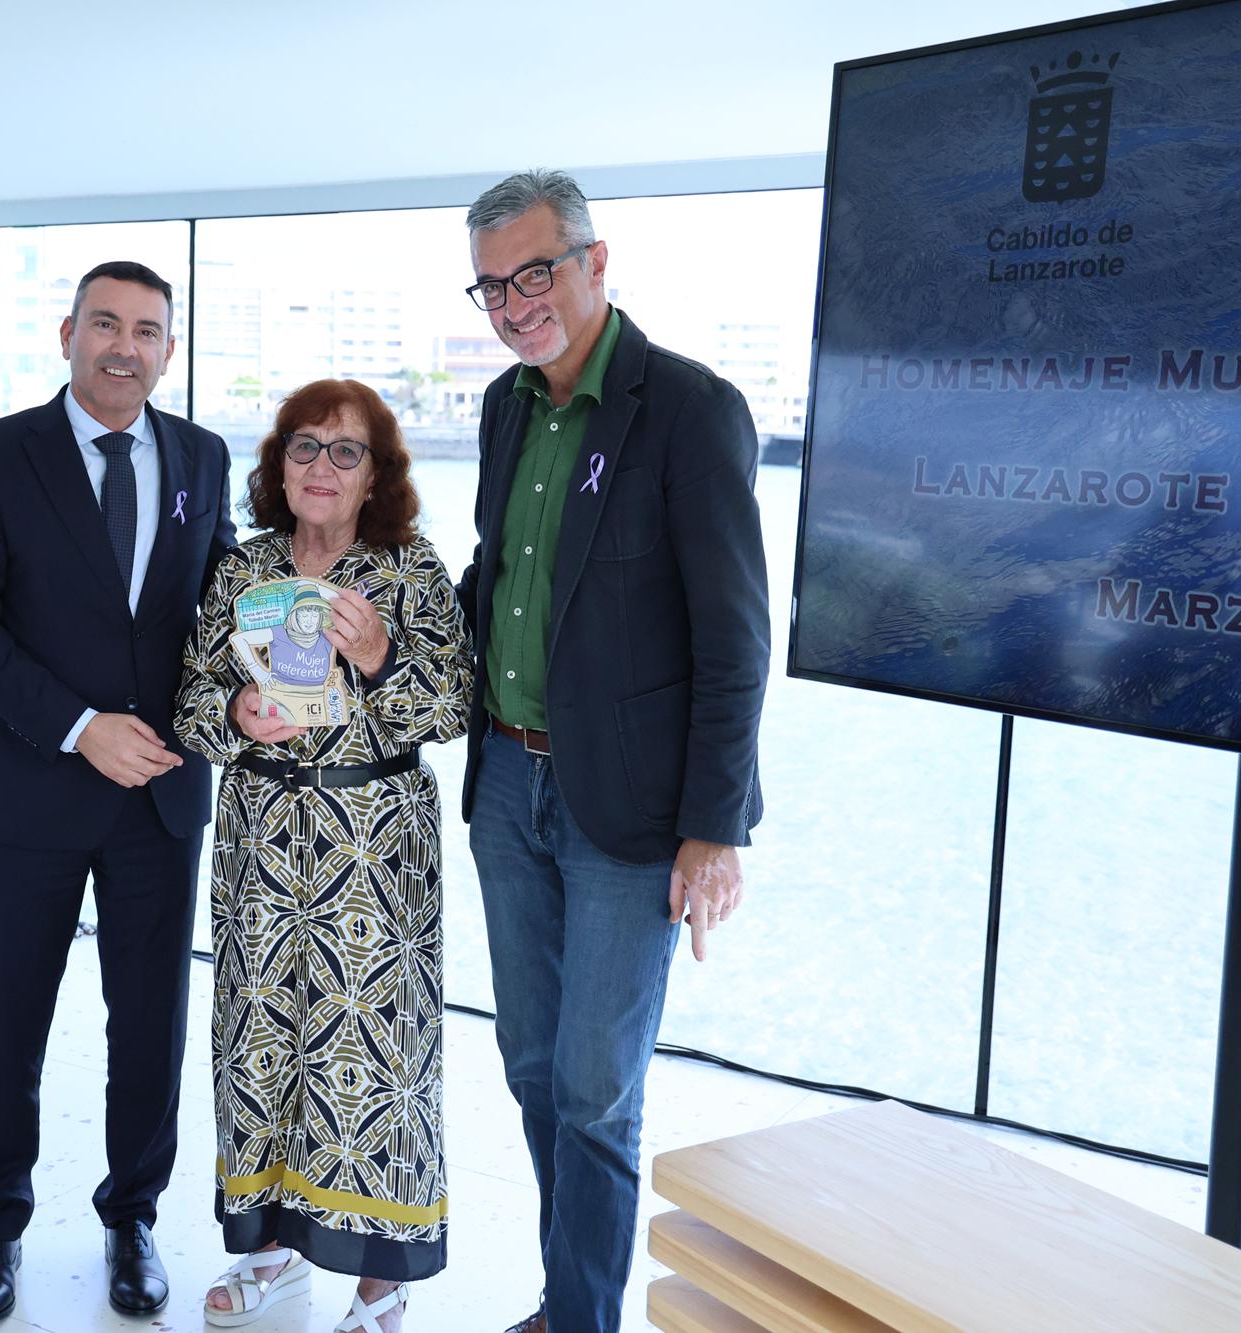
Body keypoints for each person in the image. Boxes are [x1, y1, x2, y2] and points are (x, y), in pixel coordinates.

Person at [456, 170, 771, 1333]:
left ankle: (579, 1320)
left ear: (595, 260)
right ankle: (567, 1296)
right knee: (532, 1070)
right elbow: (497, 585)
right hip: (504, 787)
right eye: (491, 285)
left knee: (594, 1091)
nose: (512, 301)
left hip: (627, 811)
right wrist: (371, 628)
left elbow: (734, 637)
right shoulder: (503, 408)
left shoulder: (687, 409)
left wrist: (714, 826)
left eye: (532, 272)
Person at [0, 260, 237, 1323]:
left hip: (158, 796)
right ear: (66, 332)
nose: (124, 346)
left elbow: (217, 605)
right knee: (7, 1021)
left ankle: (131, 1215)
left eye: (146, 330)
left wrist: (265, 675)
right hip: (27, 792)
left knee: (147, 1023)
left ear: (167, 349)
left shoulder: (200, 454)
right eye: (104, 323)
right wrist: (75, 726)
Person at [174, 379, 472, 1333]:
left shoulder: (412, 567)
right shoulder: (242, 571)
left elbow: (455, 707)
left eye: (347, 451)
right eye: (304, 446)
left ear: (376, 471)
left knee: (375, 1052)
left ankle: (381, 1285)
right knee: (259, 1043)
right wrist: (233, 712)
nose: (321, 466)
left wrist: (383, 653)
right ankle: (269, 1256)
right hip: (261, 840)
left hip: (375, 847)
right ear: (278, 464)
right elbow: (187, 707)